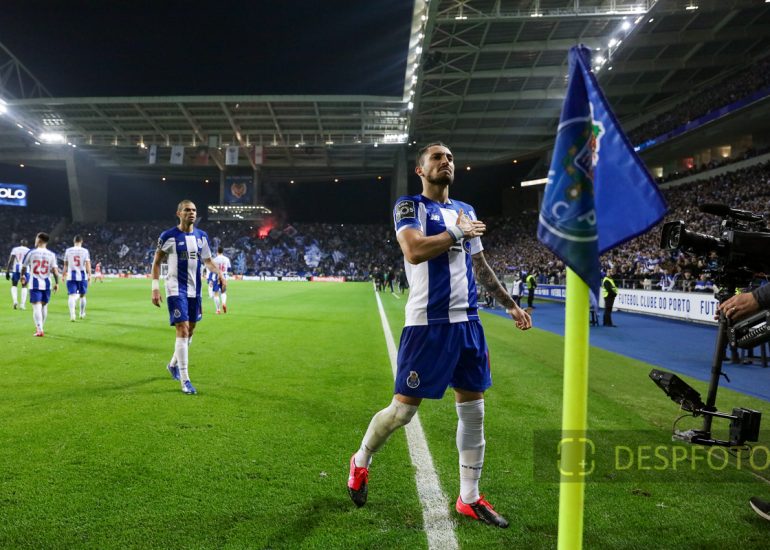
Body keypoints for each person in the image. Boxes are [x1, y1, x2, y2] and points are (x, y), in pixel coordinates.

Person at [347, 142, 532, 528]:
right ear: (421, 170)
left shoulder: (467, 210)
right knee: (403, 412)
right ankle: (361, 459)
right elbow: (413, 252)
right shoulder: (409, 207)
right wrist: (455, 232)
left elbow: (479, 266)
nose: (445, 162)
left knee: (474, 409)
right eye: (436, 157)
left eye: (449, 158)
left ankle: (469, 497)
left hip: (468, 324)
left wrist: (511, 304)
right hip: (426, 324)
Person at [150, 200, 225, 395]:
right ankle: (185, 380)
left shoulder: (201, 237)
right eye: (187, 210)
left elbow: (207, 260)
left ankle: (173, 364)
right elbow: (157, 262)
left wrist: (220, 274)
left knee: (190, 330)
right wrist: (155, 288)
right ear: (179, 213)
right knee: (182, 330)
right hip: (176, 289)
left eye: (194, 210)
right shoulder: (168, 236)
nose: (191, 213)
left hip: (195, 290)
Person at [20, 232, 60, 337]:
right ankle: (41, 327)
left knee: (36, 306)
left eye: (36, 238)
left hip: (35, 283)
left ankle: (39, 329)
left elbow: (24, 267)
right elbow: (55, 271)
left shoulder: (31, 252)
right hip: (47, 284)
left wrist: (22, 276)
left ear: (39, 240)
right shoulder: (52, 254)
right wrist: (57, 283)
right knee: (44, 306)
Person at [62, 235, 91, 321]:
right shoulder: (85, 251)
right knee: (82, 296)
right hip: (82, 276)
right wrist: (89, 275)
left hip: (71, 276)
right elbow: (88, 264)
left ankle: (72, 315)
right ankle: (81, 313)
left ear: (74, 241)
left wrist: (63, 275)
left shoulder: (68, 251)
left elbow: (65, 264)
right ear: (81, 241)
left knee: (71, 295)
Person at [5, 239, 30, 310]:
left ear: (20, 243)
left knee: (14, 285)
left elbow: (10, 260)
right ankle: (22, 305)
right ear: (26, 244)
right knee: (24, 286)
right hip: (25, 269)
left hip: (16, 268)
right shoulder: (29, 250)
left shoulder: (15, 249)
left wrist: (7, 271)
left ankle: (15, 301)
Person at [211, 246, 231, 314]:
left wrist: (211, 280)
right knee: (223, 292)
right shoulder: (227, 259)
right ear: (222, 252)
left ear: (217, 252)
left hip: (216, 276)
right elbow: (229, 269)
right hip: (224, 276)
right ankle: (224, 303)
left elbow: (212, 270)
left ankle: (218, 309)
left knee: (216, 294)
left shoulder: (215, 259)